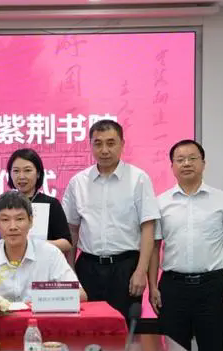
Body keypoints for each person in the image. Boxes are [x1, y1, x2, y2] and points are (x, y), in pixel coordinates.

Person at [149, 140, 223, 351]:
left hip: (212, 288)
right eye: (180, 159)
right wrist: (152, 287)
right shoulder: (160, 203)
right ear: (172, 166)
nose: (186, 163)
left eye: (192, 158)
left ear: (203, 163)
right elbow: (154, 247)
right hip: (173, 287)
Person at [62, 119, 160, 320]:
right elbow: (72, 230)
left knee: (124, 328)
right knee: (86, 327)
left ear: (122, 144)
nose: (104, 150)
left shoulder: (138, 179)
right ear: (90, 145)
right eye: (98, 144)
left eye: (111, 143)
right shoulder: (78, 182)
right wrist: (70, 273)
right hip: (87, 267)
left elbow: (148, 228)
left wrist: (141, 271)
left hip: (125, 268)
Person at [0, 191, 87, 303]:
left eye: (19, 219)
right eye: (5, 220)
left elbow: (80, 294)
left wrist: (41, 300)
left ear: (31, 221)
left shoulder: (50, 254)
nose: (13, 227)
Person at [6, 148, 72, 253]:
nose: (21, 176)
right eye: (16, 171)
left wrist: (35, 245)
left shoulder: (51, 203)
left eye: (27, 170)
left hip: (43, 261)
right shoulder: (4, 203)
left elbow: (67, 243)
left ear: (38, 174)